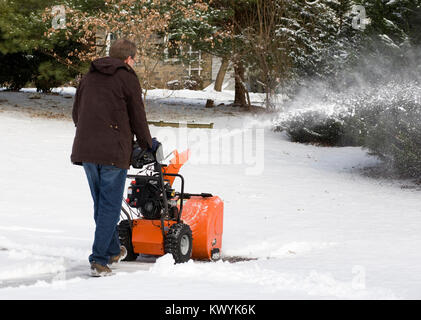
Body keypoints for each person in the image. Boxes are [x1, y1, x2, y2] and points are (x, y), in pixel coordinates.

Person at [71, 38, 157, 277]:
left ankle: (110, 251)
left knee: (101, 204)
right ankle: (99, 260)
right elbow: (137, 116)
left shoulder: (88, 77)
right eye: (134, 59)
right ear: (128, 59)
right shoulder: (127, 77)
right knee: (108, 205)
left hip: (87, 151)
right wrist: (148, 144)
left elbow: (76, 114)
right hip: (113, 152)